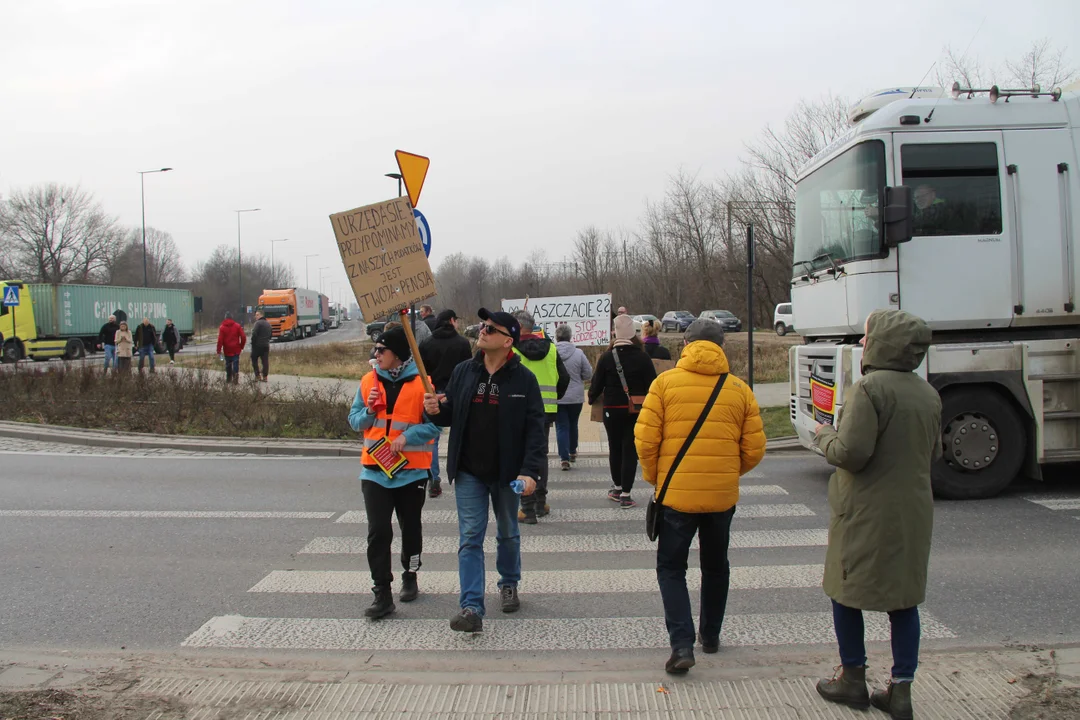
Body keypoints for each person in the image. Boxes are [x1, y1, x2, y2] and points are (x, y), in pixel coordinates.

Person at [812, 309, 942, 718]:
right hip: (913, 511)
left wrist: (824, 435)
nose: (863, 344)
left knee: (844, 592)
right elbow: (931, 452)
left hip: (866, 511)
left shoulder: (868, 390)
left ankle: (852, 679)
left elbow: (851, 454)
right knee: (903, 600)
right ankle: (900, 690)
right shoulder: (928, 393)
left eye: (867, 337)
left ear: (882, 342)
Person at [635, 318, 765, 675]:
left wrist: (656, 479)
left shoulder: (664, 384)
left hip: (676, 495)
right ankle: (710, 636)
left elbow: (645, 441)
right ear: (722, 345)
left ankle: (681, 645)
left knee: (671, 568)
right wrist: (725, 473)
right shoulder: (739, 389)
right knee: (716, 566)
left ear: (686, 344)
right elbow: (754, 449)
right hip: (721, 497)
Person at [422, 308, 545, 633]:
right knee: (470, 538)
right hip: (469, 471)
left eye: (490, 328)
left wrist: (530, 471)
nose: (483, 331)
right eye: (483, 326)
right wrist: (436, 410)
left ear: (508, 341)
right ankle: (471, 607)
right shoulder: (465, 371)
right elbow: (452, 413)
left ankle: (508, 583)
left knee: (507, 532)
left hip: (508, 473)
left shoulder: (524, 380)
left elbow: (536, 430)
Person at [348, 326, 439, 619]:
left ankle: (410, 574)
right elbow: (354, 421)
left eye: (382, 350)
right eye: (376, 349)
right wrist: (370, 412)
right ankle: (382, 593)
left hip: (411, 472)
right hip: (374, 472)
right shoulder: (367, 382)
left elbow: (435, 426)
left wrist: (408, 437)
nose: (376, 354)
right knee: (378, 533)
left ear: (397, 354)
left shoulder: (422, 383)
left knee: (410, 530)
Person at [588, 313, 656, 508]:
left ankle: (617, 487)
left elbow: (596, 384)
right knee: (630, 450)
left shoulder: (607, 357)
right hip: (636, 410)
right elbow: (652, 384)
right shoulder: (643, 357)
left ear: (615, 334)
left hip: (612, 409)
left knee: (615, 448)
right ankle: (626, 493)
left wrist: (592, 398)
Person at [512, 309, 569, 524]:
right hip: (546, 410)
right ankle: (540, 502)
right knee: (540, 454)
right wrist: (553, 397)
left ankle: (526, 507)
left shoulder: (512, 348)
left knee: (519, 456)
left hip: (518, 409)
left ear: (517, 327)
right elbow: (564, 377)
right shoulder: (551, 348)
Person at [419, 309, 474, 499]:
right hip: (457, 392)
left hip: (432, 392)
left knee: (432, 439)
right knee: (462, 433)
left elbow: (421, 370)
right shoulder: (462, 343)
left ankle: (434, 478)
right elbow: (469, 370)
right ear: (452, 320)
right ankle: (466, 473)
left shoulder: (426, 343)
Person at [554, 324, 592, 471]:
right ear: (570, 337)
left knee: (561, 426)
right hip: (575, 396)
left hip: (557, 395)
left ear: (557, 337)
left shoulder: (551, 353)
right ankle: (572, 451)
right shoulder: (579, 353)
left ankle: (564, 459)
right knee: (573, 424)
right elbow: (588, 374)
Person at [216, 311, 247, 384]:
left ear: (225, 318)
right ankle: (235, 379)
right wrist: (241, 346)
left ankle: (228, 378)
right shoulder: (237, 326)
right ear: (232, 318)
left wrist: (219, 351)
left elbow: (220, 340)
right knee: (236, 363)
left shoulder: (222, 327)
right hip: (236, 348)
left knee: (228, 364)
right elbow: (243, 337)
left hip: (227, 349)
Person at [250, 311, 272, 382]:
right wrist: (266, 340)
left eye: (257, 315)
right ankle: (265, 376)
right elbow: (271, 335)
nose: (255, 316)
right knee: (265, 361)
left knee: (254, 360)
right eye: (255, 315)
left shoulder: (257, 323)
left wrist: (253, 343)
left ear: (261, 315)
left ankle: (257, 375)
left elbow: (254, 334)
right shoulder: (268, 324)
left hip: (257, 345)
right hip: (266, 345)